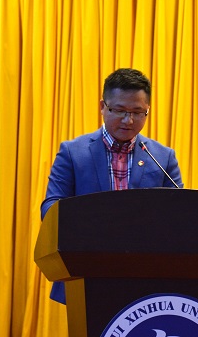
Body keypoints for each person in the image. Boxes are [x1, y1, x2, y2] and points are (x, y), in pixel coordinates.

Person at [40, 68, 183, 304]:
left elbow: (180, 212)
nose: (128, 120)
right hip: (86, 271)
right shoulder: (73, 152)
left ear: (147, 110)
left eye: (137, 112)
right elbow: (50, 207)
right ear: (102, 106)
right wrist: (88, 221)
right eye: (120, 110)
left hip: (147, 277)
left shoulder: (162, 157)